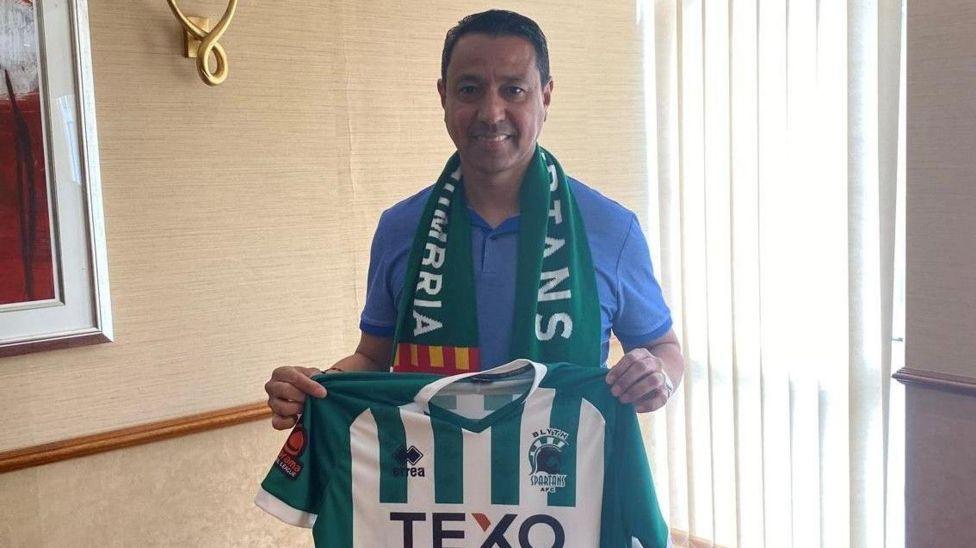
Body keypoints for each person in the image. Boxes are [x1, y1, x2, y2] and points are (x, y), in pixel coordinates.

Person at [264, 9, 684, 431]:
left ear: (546, 96)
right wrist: (318, 388)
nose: (491, 112)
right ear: (444, 96)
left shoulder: (610, 229)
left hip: (562, 478)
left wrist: (657, 375)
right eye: (470, 89)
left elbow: (663, 348)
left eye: (514, 90)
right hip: (432, 484)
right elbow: (373, 358)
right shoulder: (401, 228)